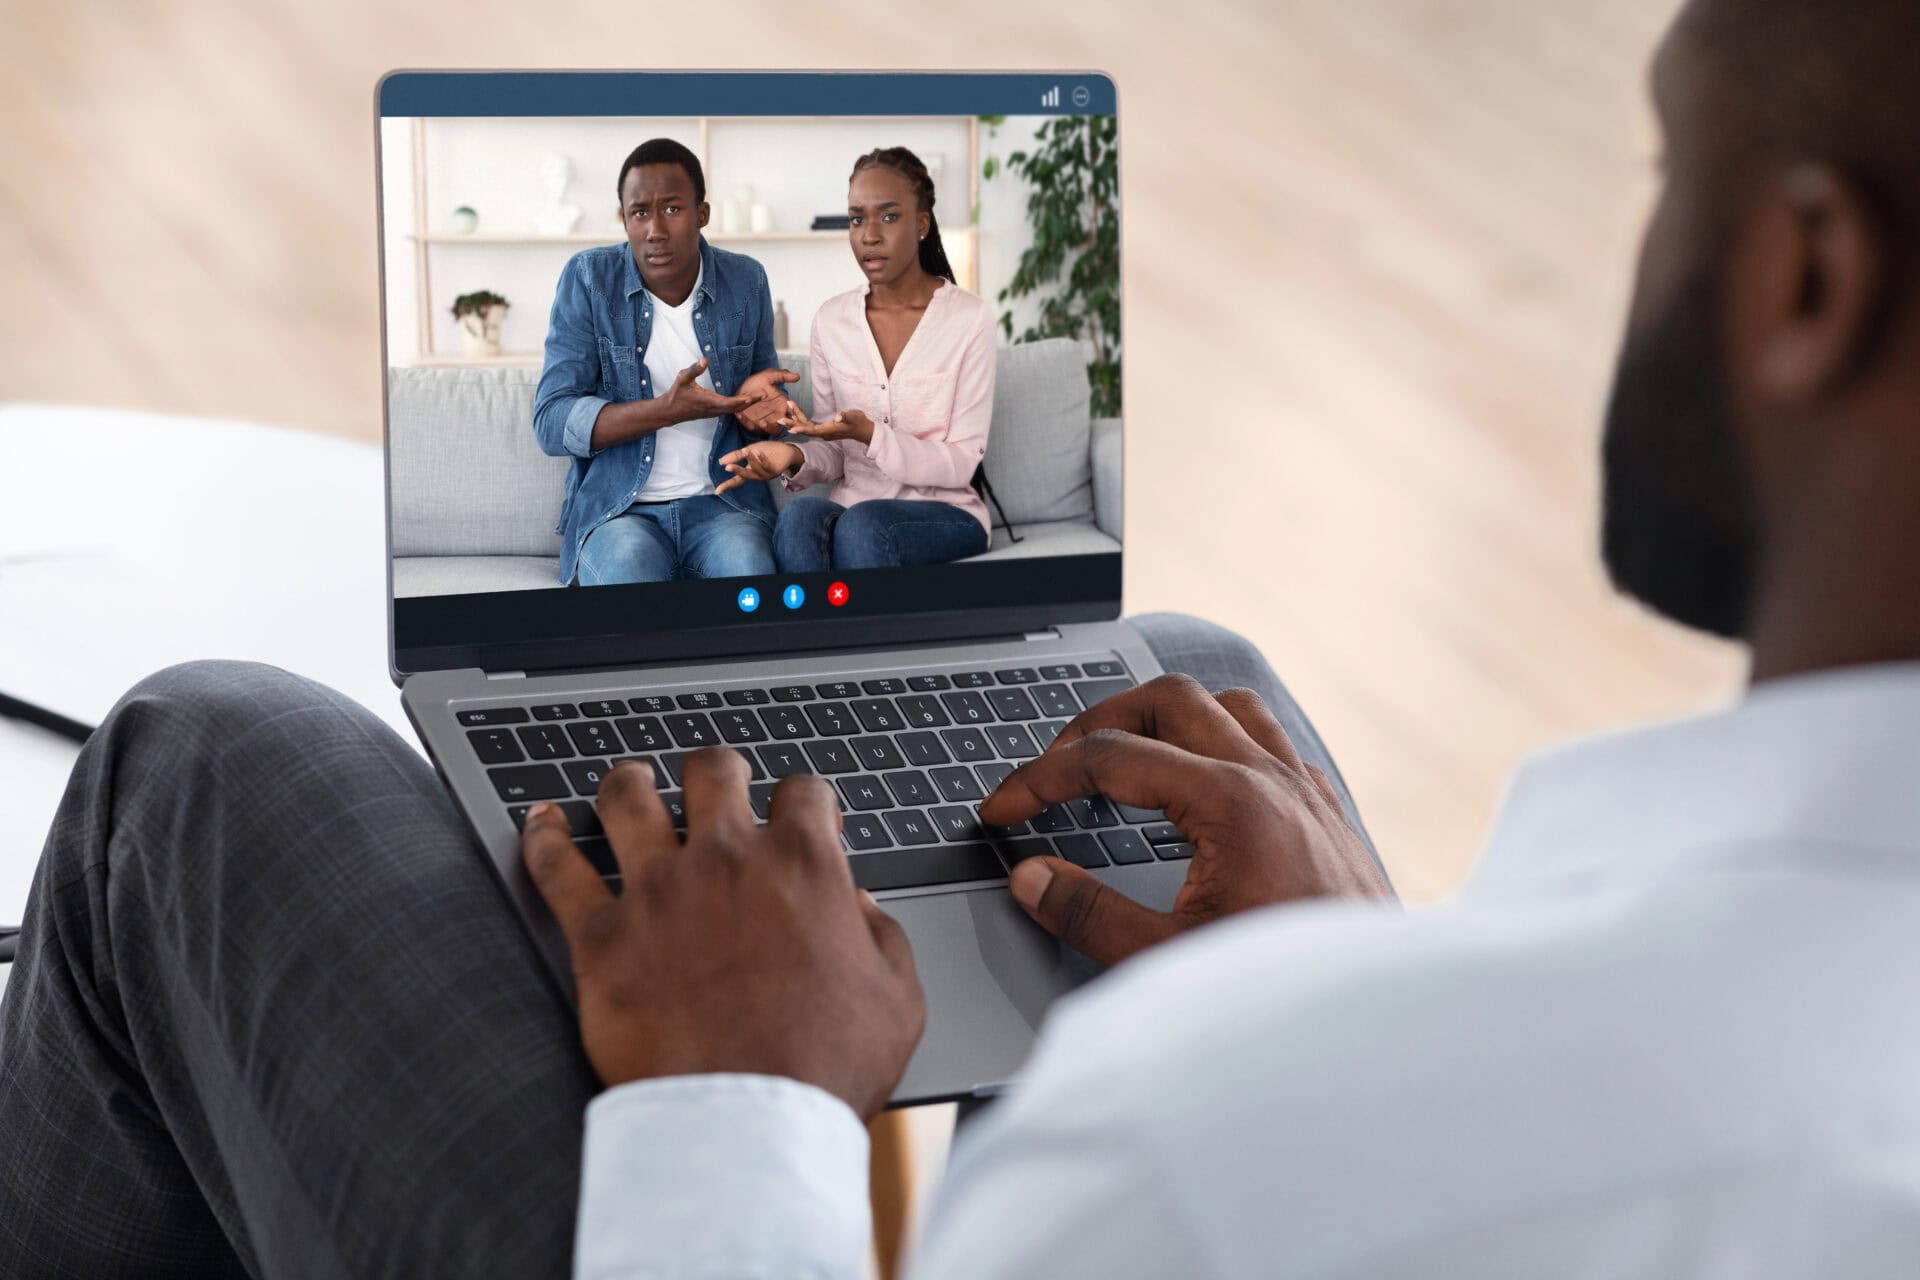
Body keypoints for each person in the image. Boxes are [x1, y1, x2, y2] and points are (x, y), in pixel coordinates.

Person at [3, 0, 1918, 1273]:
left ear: (1806, 276)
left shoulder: (1205, 1174)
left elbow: (920, 459)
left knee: (205, 756)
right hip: (778, 516)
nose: (847, 234)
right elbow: (633, 424)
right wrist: (1341, 986)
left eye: (1669, 165)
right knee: (1183, 664)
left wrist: (742, 1105)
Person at [531, 138, 799, 587]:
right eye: (639, 213)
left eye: (672, 209)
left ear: (702, 214)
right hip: (621, 513)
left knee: (751, 573)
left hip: (724, 507)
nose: (655, 230)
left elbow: (766, 406)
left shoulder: (746, 280)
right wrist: (665, 411)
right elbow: (552, 421)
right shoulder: (589, 279)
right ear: (624, 219)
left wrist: (766, 417)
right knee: (629, 574)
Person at [717, 148, 997, 572]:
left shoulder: (969, 318)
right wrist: (792, 455)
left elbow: (960, 464)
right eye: (856, 219)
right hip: (857, 510)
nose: (869, 235)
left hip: (946, 513)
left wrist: (872, 434)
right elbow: (834, 452)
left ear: (922, 224)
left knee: (864, 526)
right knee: (799, 518)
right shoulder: (832, 321)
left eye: (889, 217)